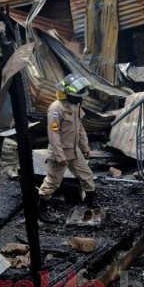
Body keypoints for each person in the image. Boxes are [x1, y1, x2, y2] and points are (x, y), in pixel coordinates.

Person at [38, 73, 96, 223]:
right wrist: (59, 155)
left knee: (86, 175)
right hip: (61, 152)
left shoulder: (75, 106)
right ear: (69, 93)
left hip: (74, 150)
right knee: (53, 182)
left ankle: (90, 203)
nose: (81, 97)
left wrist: (84, 146)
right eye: (78, 95)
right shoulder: (56, 108)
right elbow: (53, 133)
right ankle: (41, 209)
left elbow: (80, 127)